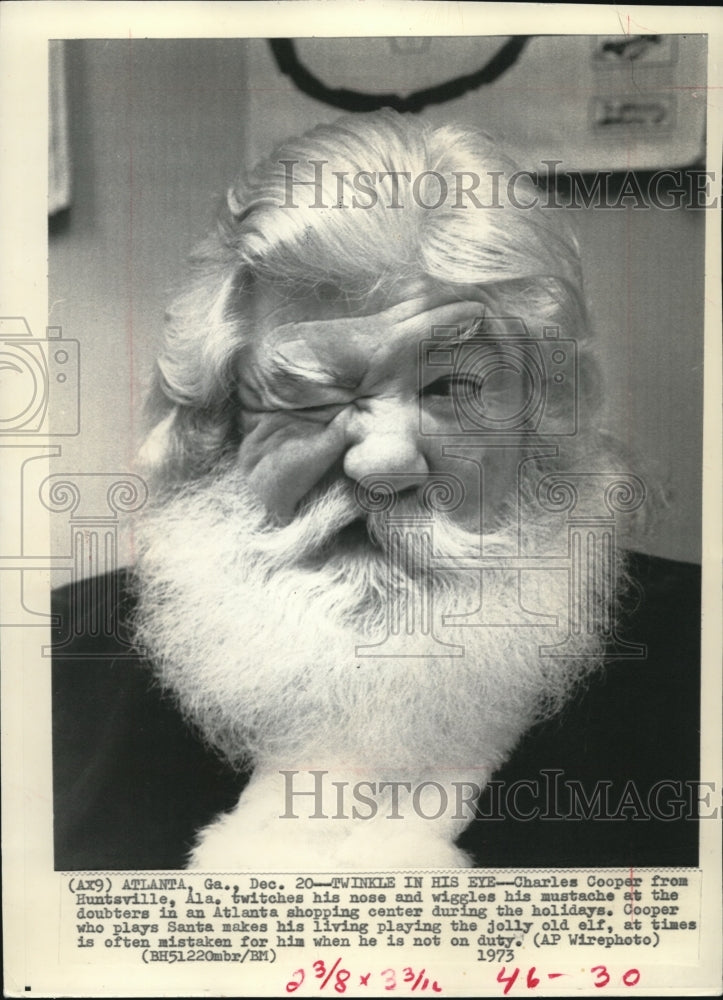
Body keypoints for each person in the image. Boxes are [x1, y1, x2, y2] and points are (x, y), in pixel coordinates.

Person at [52, 110, 700, 871]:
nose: (384, 465)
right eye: (312, 395)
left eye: (454, 386)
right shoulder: (54, 667)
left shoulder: (698, 663)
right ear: (216, 422)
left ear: (540, 425)